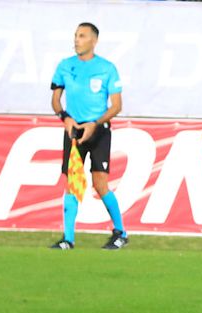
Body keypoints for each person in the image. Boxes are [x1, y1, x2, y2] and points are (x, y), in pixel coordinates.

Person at [50, 22, 127, 251]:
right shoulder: (65, 66)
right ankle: (68, 239)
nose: (76, 40)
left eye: (82, 36)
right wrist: (65, 117)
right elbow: (55, 100)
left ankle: (121, 233)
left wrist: (95, 124)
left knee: (100, 183)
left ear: (94, 40)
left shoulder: (107, 68)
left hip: (99, 130)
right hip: (74, 130)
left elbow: (116, 106)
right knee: (73, 183)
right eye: (75, 35)